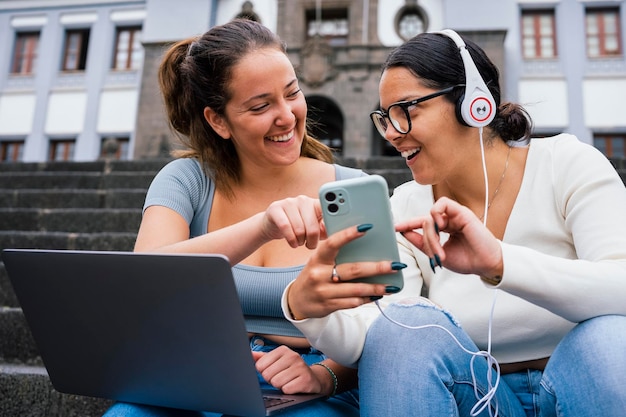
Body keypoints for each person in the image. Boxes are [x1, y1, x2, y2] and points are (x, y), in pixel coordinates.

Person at [283, 29, 626, 416]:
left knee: (609, 336)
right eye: (385, 118)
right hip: (480, 396)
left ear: (473, 103)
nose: (393, 134)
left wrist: (499, 263)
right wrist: (310, 309)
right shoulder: (406, 206)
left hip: (582, 387)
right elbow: (376, 339)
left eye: (406, 111)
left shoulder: (566, 164)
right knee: (404, 326)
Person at [102, 19, 410, 417]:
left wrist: (325, 375)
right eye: (261, 106)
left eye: (292, 93)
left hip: (310, 380)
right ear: (218, 121)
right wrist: (262, 226)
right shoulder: (187, 181)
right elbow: (146, 278)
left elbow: (383, 320)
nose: (286, 116)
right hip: (194, 374)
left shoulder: (353, 190)